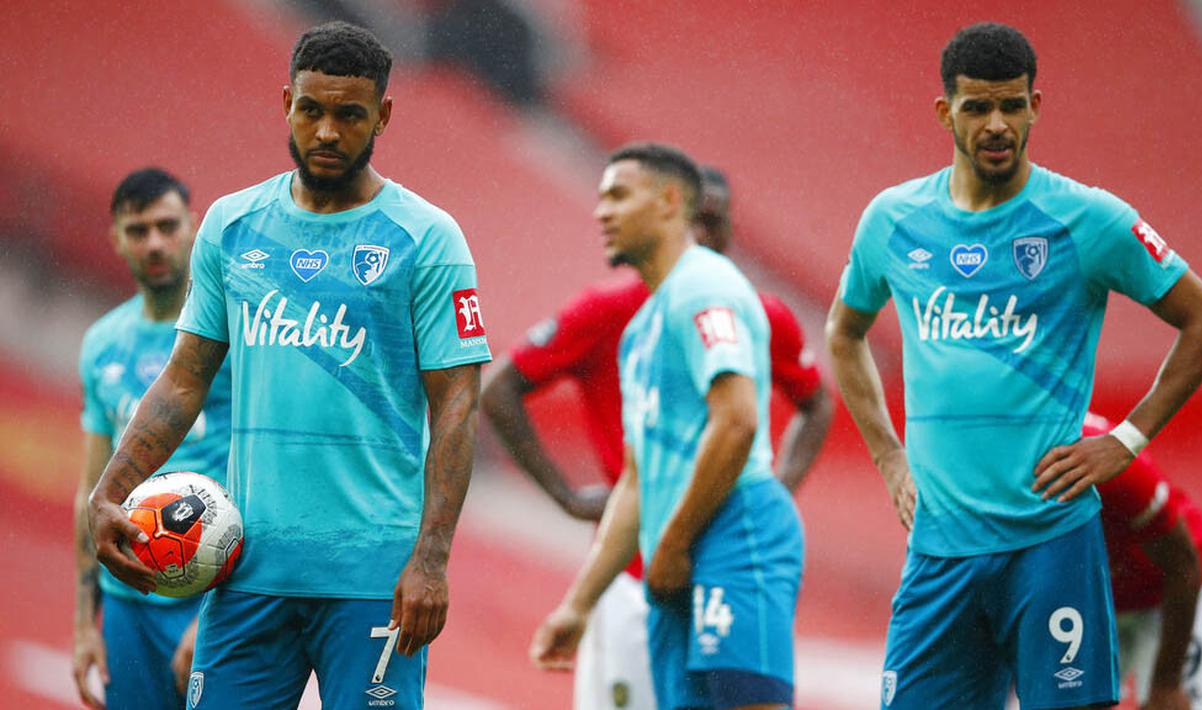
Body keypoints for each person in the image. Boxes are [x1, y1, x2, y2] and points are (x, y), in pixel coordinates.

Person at [825, 21, 1202, 709]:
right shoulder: (893, 220)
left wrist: (1124, 441)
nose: (996, 124)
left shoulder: (1088, 219)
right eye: (977, 106)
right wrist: (890, 458)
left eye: (1012, 105)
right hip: (939, 553)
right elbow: (843, 333)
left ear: (1034, 106)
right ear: (943, 111)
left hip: (1050, 544)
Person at [85, 21, 491, 709]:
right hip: (246, 568)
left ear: (382, 116)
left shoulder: (427, 238)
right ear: (286, 104)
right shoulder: (231, 226)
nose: (327, 132)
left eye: (349, 114)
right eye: (312, 110)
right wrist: (109, 491)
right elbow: (185, 378)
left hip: (371, 577)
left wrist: (430, 558)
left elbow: (457, 404)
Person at [483, 165, 829, 710]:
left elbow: (740, 421)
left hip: (724, 534)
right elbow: (640, 477)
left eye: (619, 198)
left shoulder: (712, 292)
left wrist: (765, 492)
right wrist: (578, 598)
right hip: (647, 559)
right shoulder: (638, 332)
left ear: (671, 209)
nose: (602, 213)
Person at [73, 168, 232, 710]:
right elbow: (92, 488)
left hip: (211, 588)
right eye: (138, 230)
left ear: (193, 226)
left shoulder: (231, 332)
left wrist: (219, 611)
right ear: (116, 238)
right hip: (126, 599)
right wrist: (83, 624)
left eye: (167, 225)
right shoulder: (101, 345)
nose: (156, 242)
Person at [1085, 413, 1202, 710]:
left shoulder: (1101, 454)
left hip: (1170, 594)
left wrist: (1166, 683)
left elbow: (1183, 563)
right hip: (1098, 604)